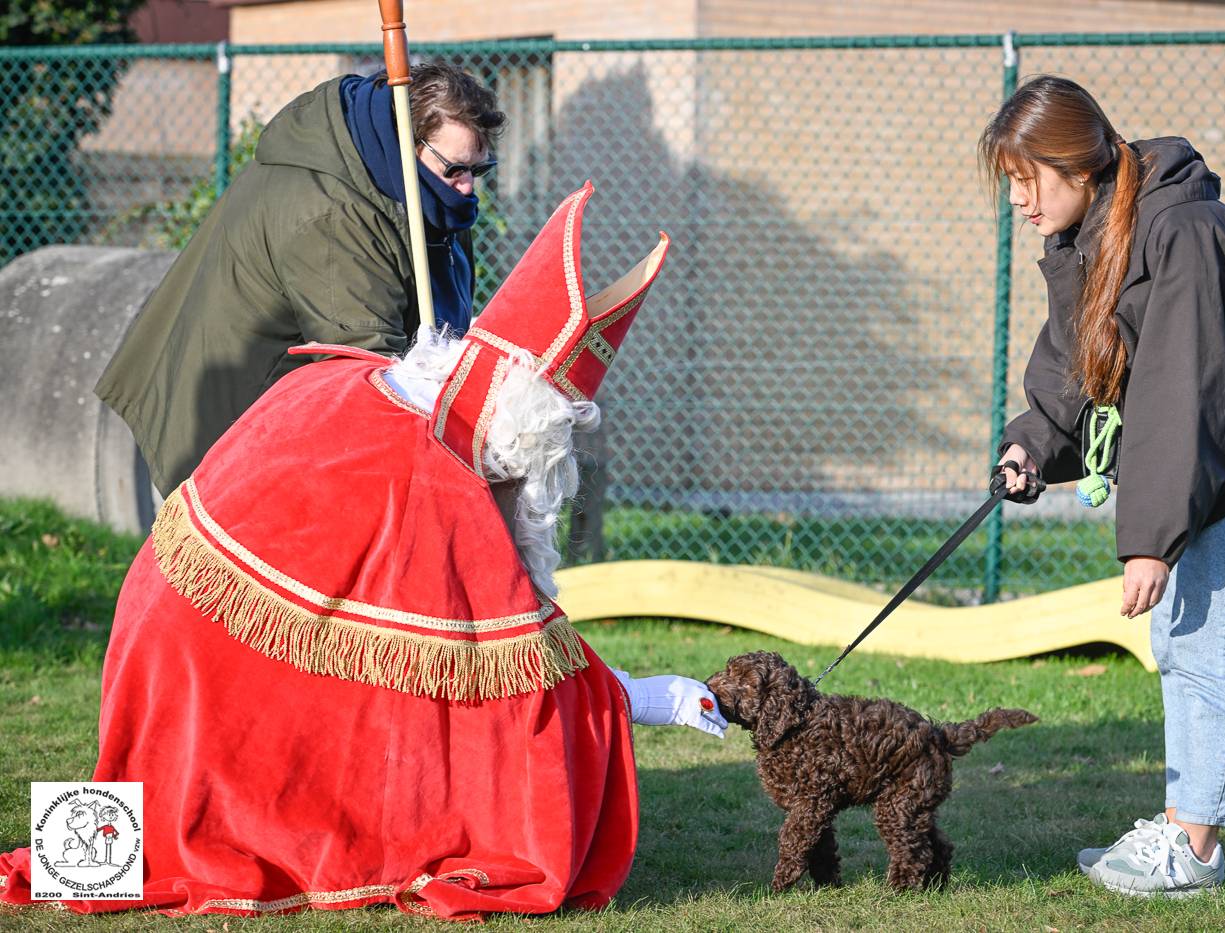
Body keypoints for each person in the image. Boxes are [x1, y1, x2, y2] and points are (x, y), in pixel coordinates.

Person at [0, 182, 726, 920]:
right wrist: (645, 696)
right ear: (516, 434)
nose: (529, 491)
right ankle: (96, 853)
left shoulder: (377, 387)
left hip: (170, 627)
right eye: (536, 464)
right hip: (217, 662)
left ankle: (84, 850)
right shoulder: (433, 476)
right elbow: (518, 689)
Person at [979, 76, 1225, 897]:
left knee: (1204, 635)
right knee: (1181, 638)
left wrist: (1150, 539)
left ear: (1077, 165)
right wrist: (1032, 444)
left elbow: (1181, 394)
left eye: (1025, 180)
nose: (1017, 201)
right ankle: (1185, 821)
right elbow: (1076, 364)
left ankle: (1196, 850)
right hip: (1218, 435)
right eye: (1009, 183)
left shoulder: (1180, 231)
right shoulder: (1093, 234)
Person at [95, 62, 503, 499]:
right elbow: (365, 370)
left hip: (294, 424)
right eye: (455, 170)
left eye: (478, 172)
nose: (466, 189)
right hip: (231, 423)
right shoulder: (331, 214)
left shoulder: (420, 190)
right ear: (405, 143)